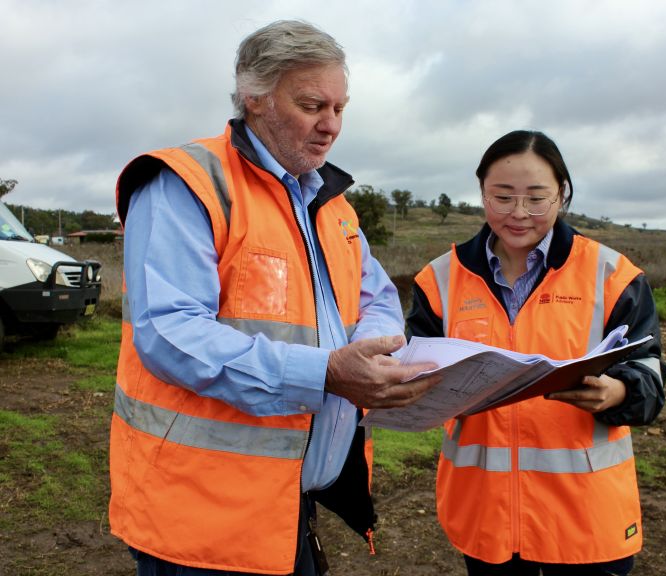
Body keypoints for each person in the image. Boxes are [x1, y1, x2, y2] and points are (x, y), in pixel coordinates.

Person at [109, 20, 439, 576]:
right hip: (199, 519)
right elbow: (170, 333)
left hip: (287, 504)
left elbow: (376, 292)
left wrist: (374, 348)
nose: (331, 126)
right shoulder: (187, 184)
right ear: (253, 97)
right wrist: (328, 373)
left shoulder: (331, 205)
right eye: (312, 105)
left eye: (340, 108)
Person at [407, 130, 666, 575]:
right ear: (482, 193)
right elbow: (417, 375)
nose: (519, 214)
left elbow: (650, 374)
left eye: (536, 198)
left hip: (586, 518)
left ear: (562, 195)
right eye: (502, 198)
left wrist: (619, 392)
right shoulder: (439, 280)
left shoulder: (611, 275)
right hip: (486, 516)